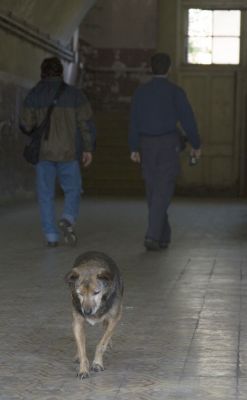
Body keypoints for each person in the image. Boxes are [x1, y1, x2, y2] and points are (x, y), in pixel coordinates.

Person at [129, 52, 201, 251]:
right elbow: (188, 120)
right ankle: (153, 236)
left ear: (151, 68)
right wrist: (196, 143)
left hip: (146, 145)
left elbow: (134, 121)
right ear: (169, 69)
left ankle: (163, 235)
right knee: (161, 191)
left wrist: (134, 146)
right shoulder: (175, 92)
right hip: (168, 144)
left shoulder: (140, 93)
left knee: (154, 191)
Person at [20, 57, 94, 247]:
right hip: (69, 153)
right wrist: (87, 148)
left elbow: (26, 125)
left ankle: (51, 236)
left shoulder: (34, 94)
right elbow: (85, 124)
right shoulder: (75, 95)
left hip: (44, 154)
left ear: (42, 73)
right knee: (74, 189)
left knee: (45, 194)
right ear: (62, 72)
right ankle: (68, 217)